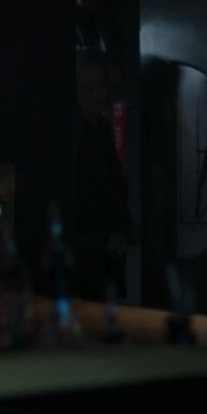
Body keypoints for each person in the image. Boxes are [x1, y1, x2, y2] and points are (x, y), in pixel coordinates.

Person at [74, 51, 136, 302]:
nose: (97, 93)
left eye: (100, 85)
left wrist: (124, 227)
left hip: (107, 252)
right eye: (88, 87)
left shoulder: (101, 129)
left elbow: (114, 187)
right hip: (89, 257)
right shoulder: (76, 136)